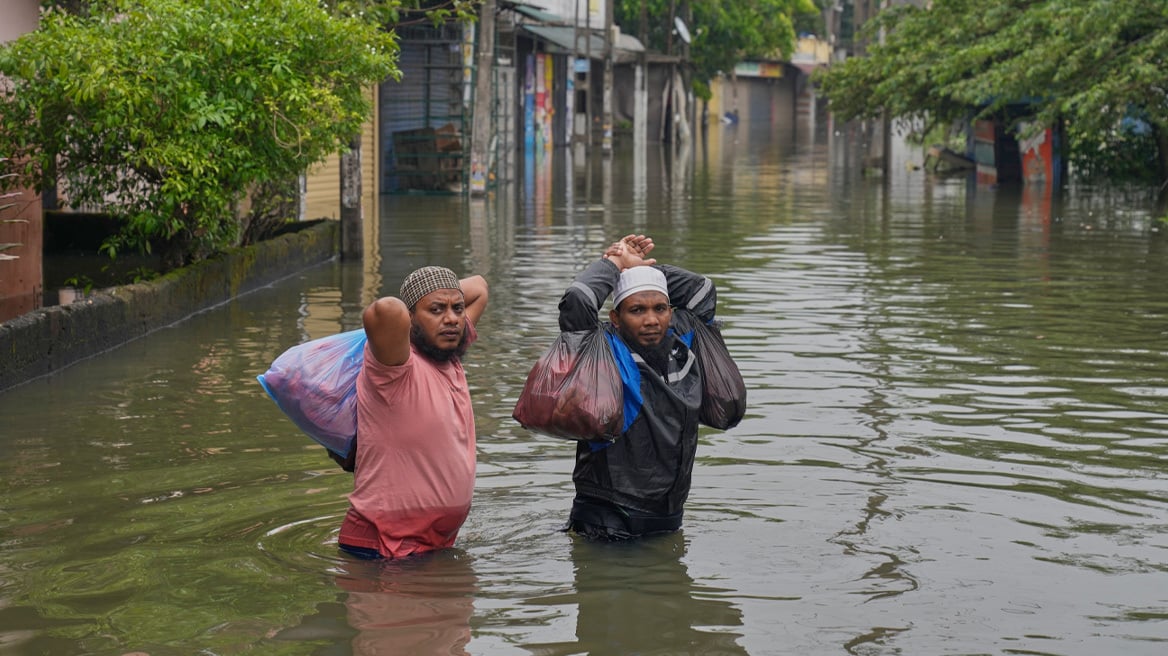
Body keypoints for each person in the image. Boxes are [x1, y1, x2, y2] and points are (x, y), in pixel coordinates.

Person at [556, 234, 720, 540]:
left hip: (668, 516)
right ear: (615, 317)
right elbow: (578, 300)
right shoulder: (601, 350)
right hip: (609, 518)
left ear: (671, 312)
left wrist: (640, 268)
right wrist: (613, 265)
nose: (651, 320)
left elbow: (703, 290)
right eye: (637, 310)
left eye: (660, 308)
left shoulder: (682, 341)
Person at [338, 266, 489, 560]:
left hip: (433, 547)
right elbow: (385, 310)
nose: (452, 319)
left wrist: (437, 293)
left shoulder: (450, 355)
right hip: (381, 551)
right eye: (436, 309)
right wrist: (423, 292)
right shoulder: (395, 367)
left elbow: (480, 287)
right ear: (409, 320)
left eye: (458, 309)